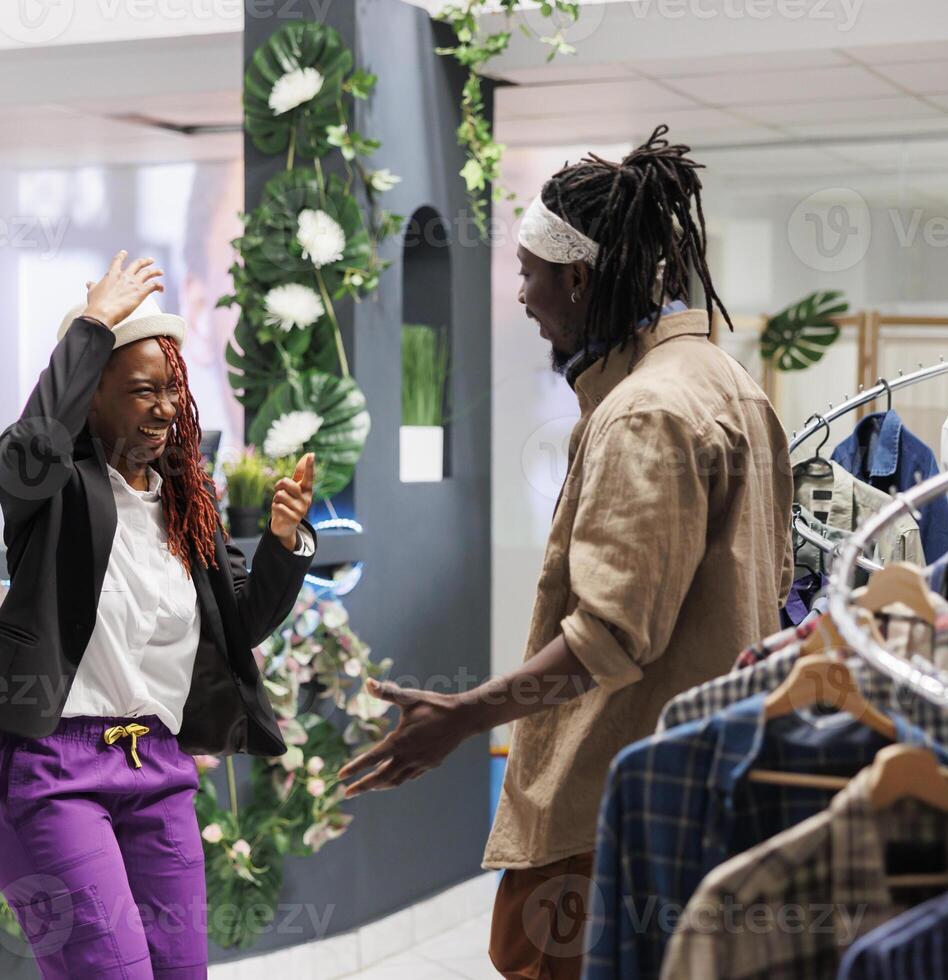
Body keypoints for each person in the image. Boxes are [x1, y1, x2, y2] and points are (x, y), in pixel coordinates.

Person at [338, 127, 794, 978]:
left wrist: (463, 716)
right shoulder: (730, 386)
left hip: (613, 812)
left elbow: (611, 639)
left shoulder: (643, 413)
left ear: (578, 278)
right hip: (709, 796)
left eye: (529, 273)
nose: (522, 295)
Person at [0, 251, 319, 979]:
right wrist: (91, 325)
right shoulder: (53, 496)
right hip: (53, 772)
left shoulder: (188, 509)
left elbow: (239, 626)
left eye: (172, 392)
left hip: (157, 766)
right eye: (143, 391)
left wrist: (284, 544)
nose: (163, 409)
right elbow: (28, 451)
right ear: (91, 398)